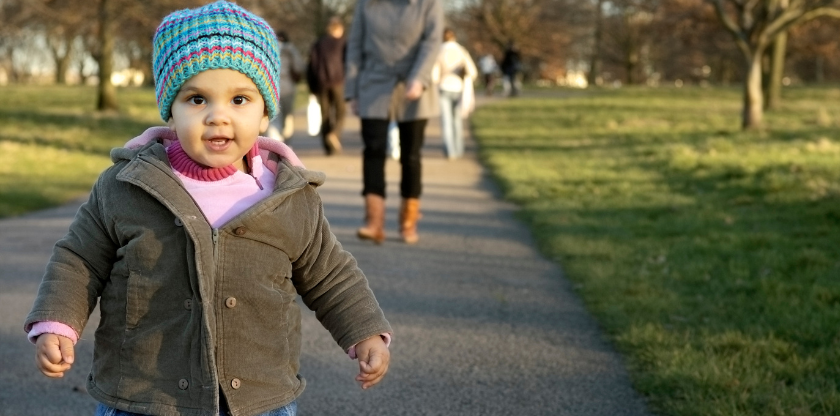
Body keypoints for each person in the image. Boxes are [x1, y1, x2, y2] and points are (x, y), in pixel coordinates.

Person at [23, 2, 392, 416]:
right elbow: (79, 260)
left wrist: (365, 333)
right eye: (197, 99)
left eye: (239, 99)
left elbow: (331, 275)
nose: (218, 116)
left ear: (265, 110)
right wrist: (57, 322)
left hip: (258, 397)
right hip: (144, 395)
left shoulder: (288, 197)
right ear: (170, 108)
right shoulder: (127, 186)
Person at [345, 0, 444, 244]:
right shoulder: (366, 4)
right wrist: (352, 91)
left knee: (411, 155)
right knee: (373, 150)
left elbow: (432, 43)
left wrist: (419, 78)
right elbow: (355, 46)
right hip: (374, 82)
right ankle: (374, 221)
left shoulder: (428, 4)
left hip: (414, 85)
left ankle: (408, 221)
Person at [433, 28, 477, 160]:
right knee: (456, 120)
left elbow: (434, 74)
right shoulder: (461, 51)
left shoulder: (439, 51)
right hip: (458, 87)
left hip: (444, 86)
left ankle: (450, 150)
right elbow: (472, 72)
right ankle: (458, 149)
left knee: (446, 120)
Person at [307, 16, 347, 155]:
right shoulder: (343, 43)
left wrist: (312, 86)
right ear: (339, 29)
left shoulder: (318, 44)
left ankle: (328, 147)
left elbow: (311, 65)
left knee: (325, 114)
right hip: (339, 81)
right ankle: (335, 134)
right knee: (340, 110)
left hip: (321, 83)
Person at [264, 30, 305, 141]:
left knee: (282, 117)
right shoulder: (272, 51)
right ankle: (279, 142)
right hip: (279, 89)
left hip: (281, 89)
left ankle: (282, 141)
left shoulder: (287, 52)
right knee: (279, 118)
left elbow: (299, 68)